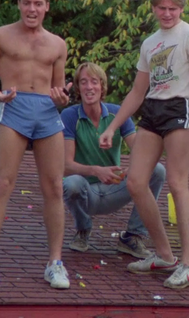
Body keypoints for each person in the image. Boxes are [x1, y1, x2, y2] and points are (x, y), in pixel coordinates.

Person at [98, 0, 189, 289]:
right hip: (152, 109)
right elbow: (138, 91)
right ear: (153, 8)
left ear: (182, 8)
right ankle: (164, 255)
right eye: (162, 8)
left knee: (177, 182)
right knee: (136, 182)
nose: (167, 13)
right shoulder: (150, 43)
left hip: (180, 106)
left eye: (173, 8)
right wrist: (112, 126)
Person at [0, 0, 71, 290]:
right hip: (14, 106)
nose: (32, 9)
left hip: (46, 111)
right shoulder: (0, 36)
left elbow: (59, 88)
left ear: (47, 7)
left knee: (54, 186)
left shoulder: (57, 44)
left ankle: (55, 263)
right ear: (18, 4)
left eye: (38, 4)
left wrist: (62, 99)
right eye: (27, 2)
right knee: (2, 182)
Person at [61, 62, 166, 258]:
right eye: (83, 82)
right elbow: (65, 166)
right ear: (78, 88)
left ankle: (133, 236)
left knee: (157, 170)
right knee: (71, 183)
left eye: (94, 82)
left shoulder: (117, 113)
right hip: (86, 191)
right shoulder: (69, 116)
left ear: (102, 87)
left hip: (115, 187)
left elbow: (141, 152)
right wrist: (96, 171)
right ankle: (83, 229)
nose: (89, 87)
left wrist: (128, 169)